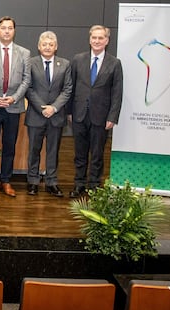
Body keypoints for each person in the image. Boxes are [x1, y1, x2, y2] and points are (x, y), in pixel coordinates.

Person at [68, 25, 123, 198]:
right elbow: (71, 87)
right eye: (94, 38)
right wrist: (69, 111)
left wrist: (112, 116)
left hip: (101, 116)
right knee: (80, 153)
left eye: (101, 38)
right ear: (89, 39)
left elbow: (117, 92)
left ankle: (93, 185)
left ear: (107, 41)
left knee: (97, 154)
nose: (97, 41)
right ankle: (79, 184)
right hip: (79, 114)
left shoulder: (114, 63)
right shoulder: (78, 60)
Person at [0, 16, 30, 197]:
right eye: (3, 28)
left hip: (13, 107)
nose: (7, 31)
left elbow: (26, 79)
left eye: (10, 28)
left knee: (9, 145)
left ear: (14, 31)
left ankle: (6, 181)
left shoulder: (24, 53)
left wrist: (14, 98)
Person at [24, 31, 72, 197]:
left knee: (53, 151)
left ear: (56, 47)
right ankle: (33, 181)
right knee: (33, 150)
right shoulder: (30, 63)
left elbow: (67, 89)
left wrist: (54, 108)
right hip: (36, 115)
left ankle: (52, 182)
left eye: (51, 45)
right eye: (44, 44)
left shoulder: (65, 64)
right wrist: (42, 107)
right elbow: (28, 88)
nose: (47, 47)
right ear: (39, 46)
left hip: (56, 116)